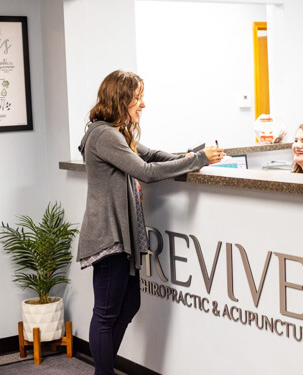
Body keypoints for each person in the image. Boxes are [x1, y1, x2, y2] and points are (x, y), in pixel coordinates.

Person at [76, 70, 224, 375]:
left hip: (120, 236)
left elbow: (153, 155)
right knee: (105, 314)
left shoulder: (117, 132)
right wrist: (199, 160)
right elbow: (147, 172)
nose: (142, 104)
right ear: (121, 99)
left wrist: (195, 155)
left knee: (129, 306)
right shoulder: (104, 134)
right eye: (137, 98)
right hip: (109, 235)